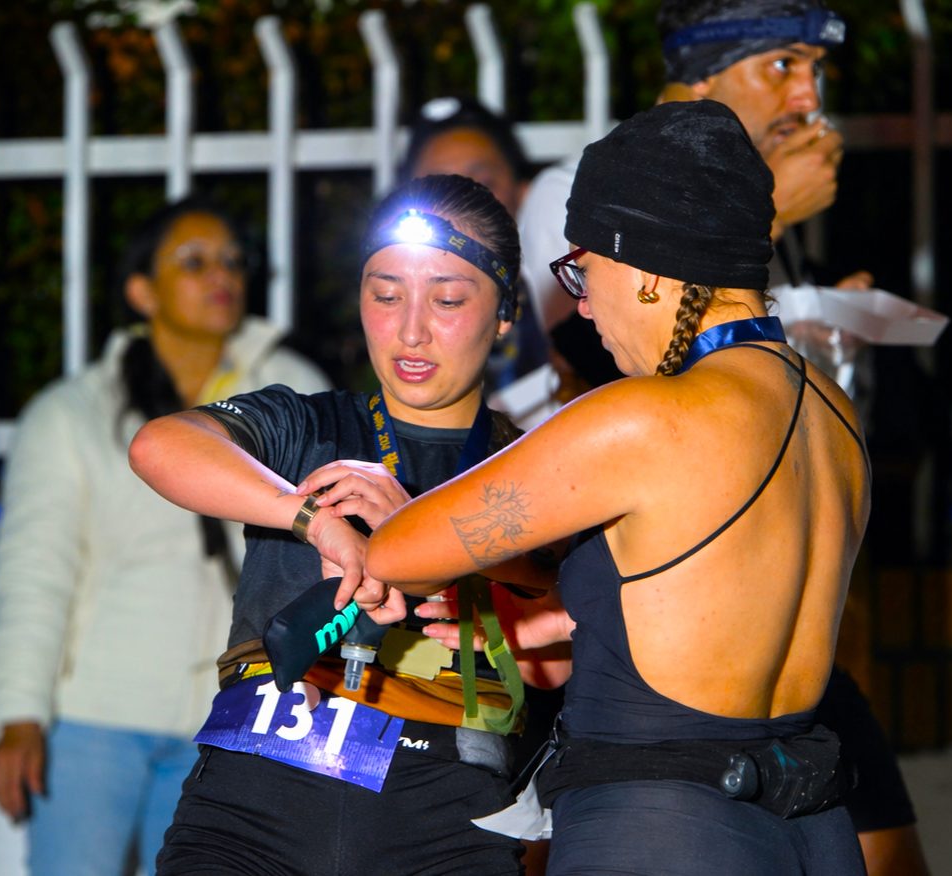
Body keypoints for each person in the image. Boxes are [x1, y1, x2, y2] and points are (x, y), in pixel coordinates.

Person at [369, 101, 869, 874]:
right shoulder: (833, 412)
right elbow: (717, 596)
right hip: (813, 829)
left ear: (640, 270)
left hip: (663, 828)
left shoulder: (645, 418)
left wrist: (373, 487)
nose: (578, 303)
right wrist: (578, 615)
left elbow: (401, 552)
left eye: (581, 269)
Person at [129, 174, 550, 875]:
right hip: (255, 792)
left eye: (447, 298)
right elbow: (159, 446)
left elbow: (578, 629)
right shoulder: (309, 425)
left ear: (505, 311)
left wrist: (422, 538)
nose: (411, 329)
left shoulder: (540, 463)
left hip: (445, 814)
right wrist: (312, 520)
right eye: (385, 295)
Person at [0, 196, 330, 876]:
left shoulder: (293, 391)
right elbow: (33, 577)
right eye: (193, 262)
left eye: (232, 260)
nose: (220, 275)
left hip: (239, 714)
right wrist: (19, 714)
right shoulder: (71, 414)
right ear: (142, 291)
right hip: (94, 719)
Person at [521, 0, 869, 388]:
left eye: (815, 68)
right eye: (783, 65)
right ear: (702, 70)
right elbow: (565, 371)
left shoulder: (743, 180)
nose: (810, 99)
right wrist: (776, 212)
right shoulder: (579, 190)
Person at [402, 96, 548, 391]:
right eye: (439, 188)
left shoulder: (567, 302)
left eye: (482, 184)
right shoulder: (393, 315)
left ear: (523, 192)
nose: (461, 207)